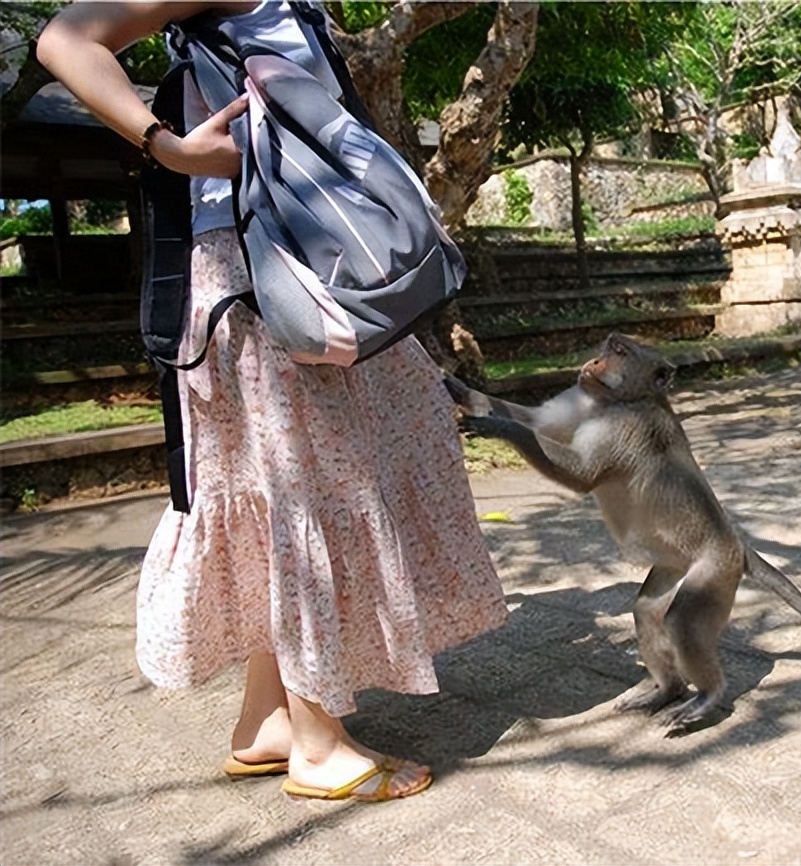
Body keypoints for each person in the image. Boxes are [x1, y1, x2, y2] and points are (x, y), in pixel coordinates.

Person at [36, 1, 510, 802]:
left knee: (291, 481)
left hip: (285, 266)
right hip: (268, 272)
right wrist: (171, 148)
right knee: (316, 483)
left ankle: (268, 721)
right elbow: (64, 37)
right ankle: (320, 745)